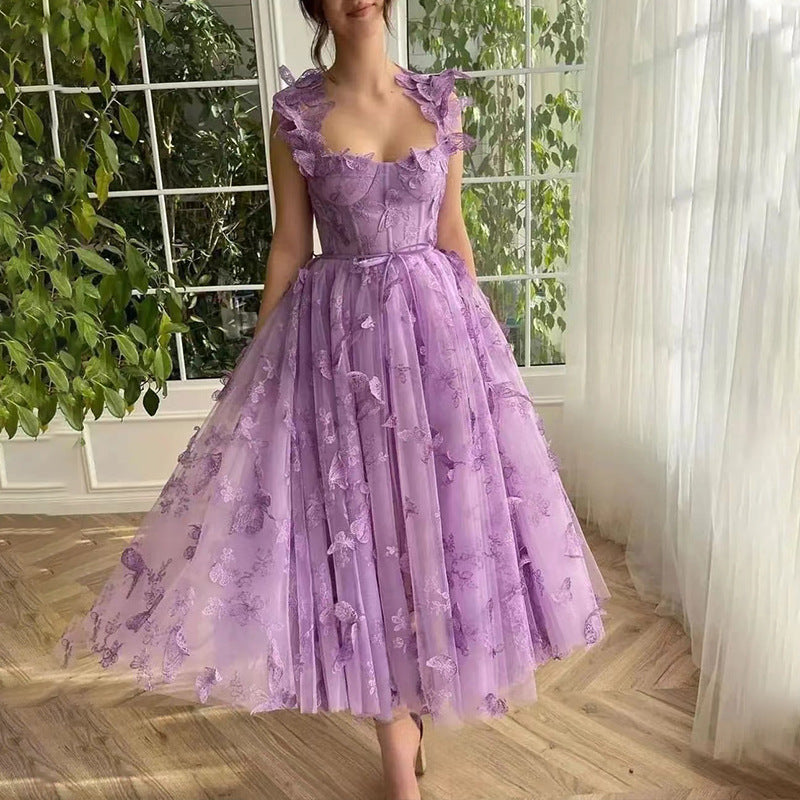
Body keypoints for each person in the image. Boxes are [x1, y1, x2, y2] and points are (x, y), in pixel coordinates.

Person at [55, 2, 610, 799]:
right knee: (365, 536)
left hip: (440, 347)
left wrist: (486, 350)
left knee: (439, 531)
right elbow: (290, 244)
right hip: (340, 351)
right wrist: (259, 364)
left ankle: (419, 700)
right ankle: (396, 745)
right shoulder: (297, 115)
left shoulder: (439, 102)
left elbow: (453, 233)